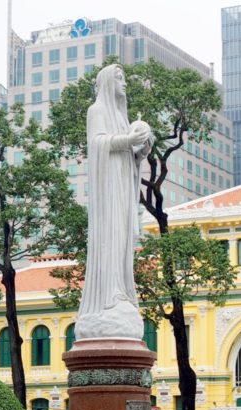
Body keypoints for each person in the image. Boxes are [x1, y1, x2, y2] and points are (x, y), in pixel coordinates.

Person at [75, 63, 154, 341]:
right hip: (107, 191)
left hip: (122, 186)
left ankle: (120, 289)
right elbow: (97, 144)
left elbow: (130, 154)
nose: (124, 84)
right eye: (120, 78)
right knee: (110, 238)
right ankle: (108, 295)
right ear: (108, 82)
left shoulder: (121, 116)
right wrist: (127, 139)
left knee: (122, 242)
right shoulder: (96, 111)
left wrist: (141, 147)